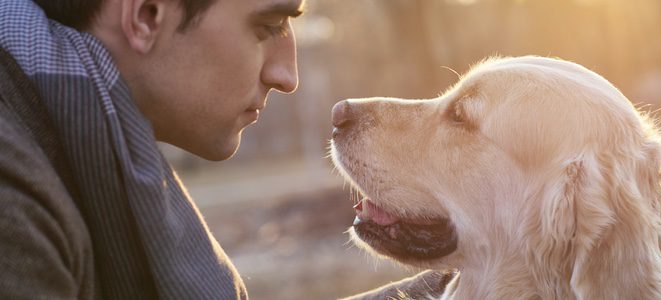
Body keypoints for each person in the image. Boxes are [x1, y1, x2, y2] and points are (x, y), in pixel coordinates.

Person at [0, 0, 450, 298]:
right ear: (146, 16)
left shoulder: (79, 128)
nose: (287, 75)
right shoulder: (14, 202)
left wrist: (460, 287)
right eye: (266, 26)